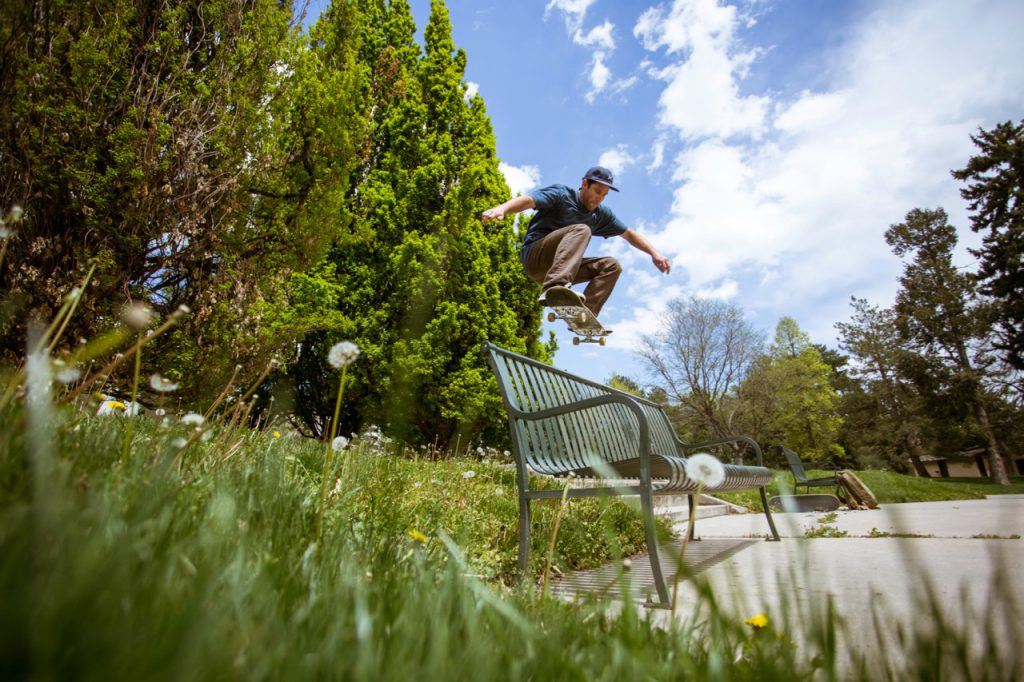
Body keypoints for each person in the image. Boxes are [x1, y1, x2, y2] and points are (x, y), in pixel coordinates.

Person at [481, 165, 670, 317]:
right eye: (597, 192)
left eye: (604, 195)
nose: (599, 199)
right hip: (535, 258)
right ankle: (555, 288)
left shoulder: (600, 214)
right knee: (582, 229)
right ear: (584, 183)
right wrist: (503, 209)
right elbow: (529, 200)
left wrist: (655, 253)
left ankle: (584, 315)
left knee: (612, 266)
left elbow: (628, 233)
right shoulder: (562, 194)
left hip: (561, 267)